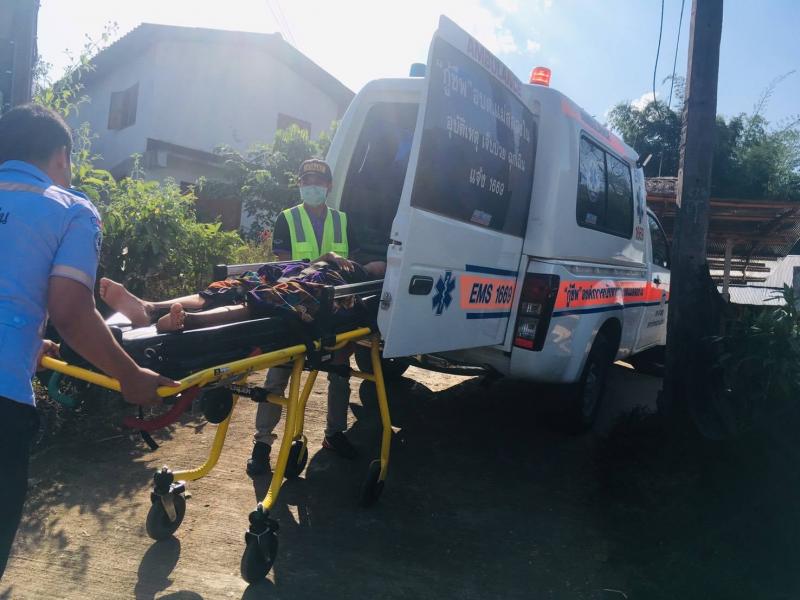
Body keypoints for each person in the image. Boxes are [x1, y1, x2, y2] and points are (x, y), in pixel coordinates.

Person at [0, 105, 179, 580]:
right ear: (62, 155)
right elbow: (71, 313)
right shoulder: (70, 209)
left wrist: (27, 348)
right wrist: (130, 376)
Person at [251, 158, 361, 474]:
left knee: (340, 369)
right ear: (300, 185)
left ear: (328, 186)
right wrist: (325, 260)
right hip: (296, 304)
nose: (311, 186)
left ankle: (334, 434)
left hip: (334, 307)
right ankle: (262, 444)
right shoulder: (288, 218)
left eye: (318, 181)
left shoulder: (343, 221)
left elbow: (350, 265)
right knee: (279, 373)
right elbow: (286, 268)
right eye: (306, 181)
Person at [98, 253, 385, 332]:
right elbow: (318, 260)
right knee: (239, 284)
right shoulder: (343, 260)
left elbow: (350, 300)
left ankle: (191, 320)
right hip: (297, 270)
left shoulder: (359, 279)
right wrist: (331, 255)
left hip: (315, 285)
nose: (378, 265)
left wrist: (344, 266)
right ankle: (151, 307)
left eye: (380, 268)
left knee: (278, 296)